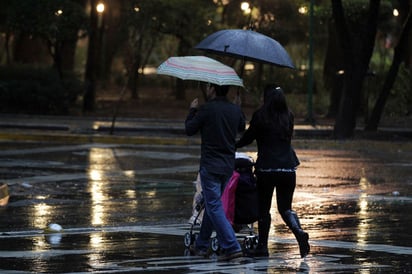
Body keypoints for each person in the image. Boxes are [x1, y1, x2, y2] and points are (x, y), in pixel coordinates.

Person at [236, 84, 310, 258]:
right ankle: (298, 231)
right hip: (288, 168)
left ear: (265, 98)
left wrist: (233, 145)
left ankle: (262, 247)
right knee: (285, 209)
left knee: (264, 209)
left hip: (267, 169)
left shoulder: (261, 116)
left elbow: (247, 138)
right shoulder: (288, 116)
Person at [185, 83, 246, 261]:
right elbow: (241, 128)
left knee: (213, 206)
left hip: (210, 166)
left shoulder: (206, 109)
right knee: (213, 205)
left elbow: (189, 129)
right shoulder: (234, 109)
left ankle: (232, 246)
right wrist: (239, 108)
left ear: (211, 89)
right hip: (227, 166)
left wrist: (192, 110)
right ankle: (202, 245)